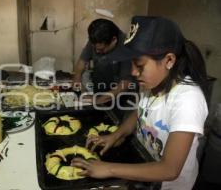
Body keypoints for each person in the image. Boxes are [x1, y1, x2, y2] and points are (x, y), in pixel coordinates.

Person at [71, 16, 208, 190]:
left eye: (140, 65)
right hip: (144, 173)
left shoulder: (188, 99)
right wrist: (116, 135)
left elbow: (170, 168)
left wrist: (109, 169)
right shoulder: (152, 84)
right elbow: (139, 112)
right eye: (132, 64)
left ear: (169, 60)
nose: (134, 72)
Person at [73, 18, 135, 104]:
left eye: (101, 49)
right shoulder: (97, 40)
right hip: (99, 91)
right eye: (95, 48)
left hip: (121, 98)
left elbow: (125, 84)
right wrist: (78, 88)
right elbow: (81, 64)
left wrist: (97, 100)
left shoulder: (126, 46)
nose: (97, 51)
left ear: (114, 40)